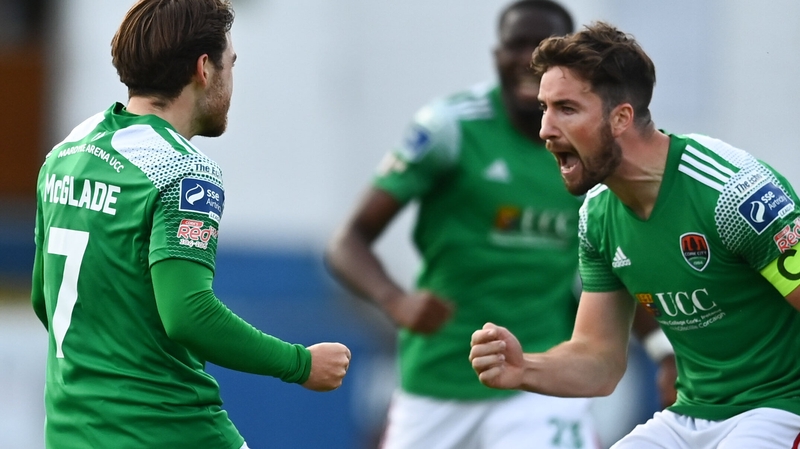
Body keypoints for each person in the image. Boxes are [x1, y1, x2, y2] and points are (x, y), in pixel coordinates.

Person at [325, 2, 673, 448]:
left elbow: (621, 265)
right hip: (438, 379)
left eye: (544, 49)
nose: (528, 58)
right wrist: (397, 302)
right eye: (517, 45)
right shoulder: (450, 128)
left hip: (541, 376)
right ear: (497, 56)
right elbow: (347, 241)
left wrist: (664, 350)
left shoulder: (596, 148)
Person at [30, 1, 351, 447]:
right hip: (169, 432)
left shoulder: (66, 154)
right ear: (205, 68)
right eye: (231, 63)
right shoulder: (182, 170)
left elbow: (43, 300)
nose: (232, 80)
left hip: (71, 434)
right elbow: (188, 314)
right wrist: (300, 363)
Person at [469, 20, 800, 449]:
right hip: (692, 415)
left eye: (566, 109)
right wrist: (523, 368)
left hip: (781, 407)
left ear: (621, 117)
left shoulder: (734, 193)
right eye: (544, 108)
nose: (545, 130)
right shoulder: (597, 216)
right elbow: (599, 361)